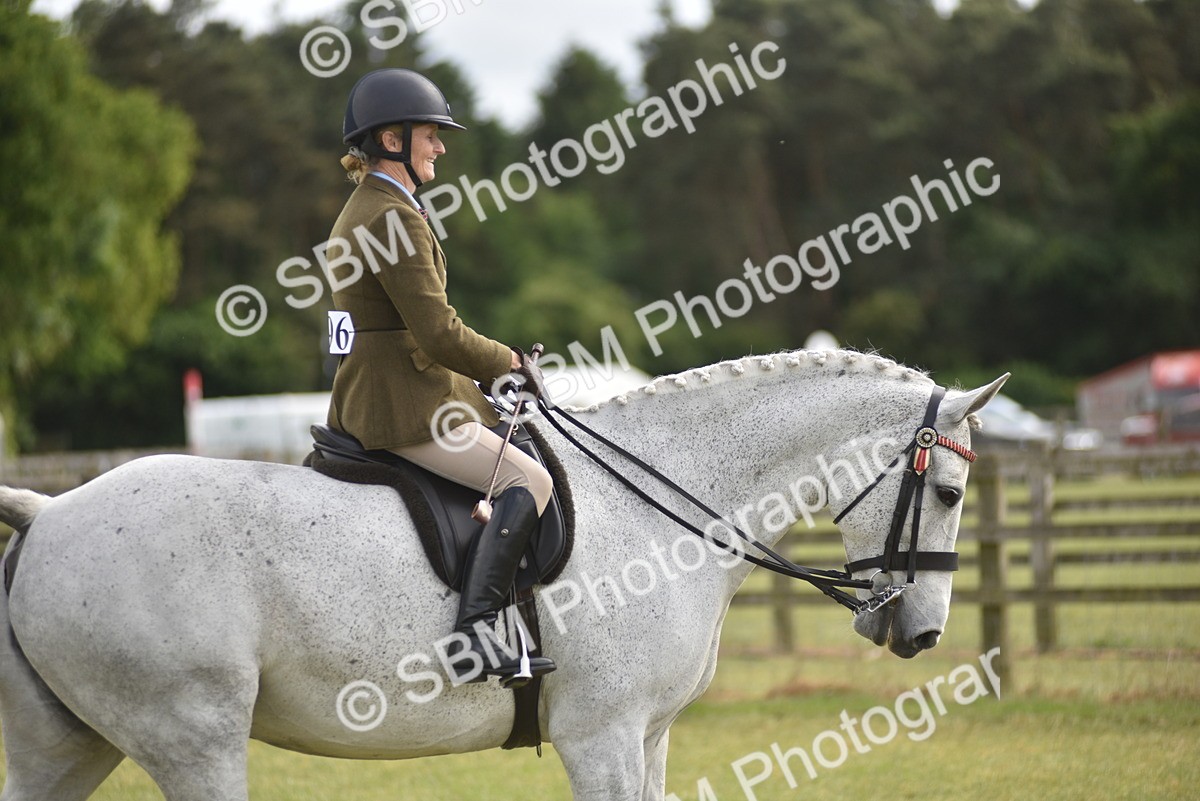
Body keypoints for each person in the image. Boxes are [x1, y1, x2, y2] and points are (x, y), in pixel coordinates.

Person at [328, 68, 555, 686]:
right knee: (527, 479)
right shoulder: (392, 218)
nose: (441, 146)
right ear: (393, 139)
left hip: (383, 389)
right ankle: (476, 635)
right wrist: (509, 361)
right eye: (431, 133)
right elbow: (438, 333)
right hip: (403, 403)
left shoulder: (370, 206)